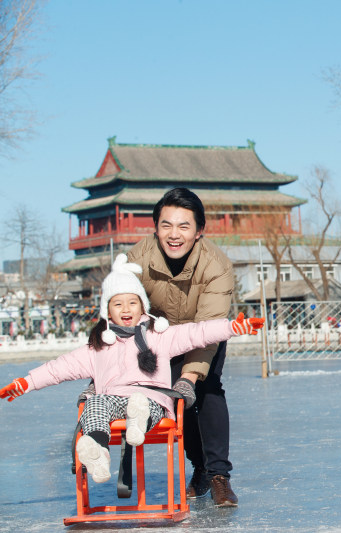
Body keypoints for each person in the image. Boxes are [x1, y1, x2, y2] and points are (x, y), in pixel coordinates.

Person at [0, 255, 264, 485]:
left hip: (152, 398)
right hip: (113, 397)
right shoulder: (97, 347)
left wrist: (231, 327)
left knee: (143, 402)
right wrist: (26, 383)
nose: (126, 309)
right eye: (118, 304)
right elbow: (60, 368)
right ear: (107, 311)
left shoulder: (158, 336)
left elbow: (196, 333)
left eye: (132, 302)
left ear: (142, 307)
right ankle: (97, 451)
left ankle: (139, 421)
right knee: (94, 405)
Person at [127, 187, 240, 507]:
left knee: (206, 388)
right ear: (156, 227)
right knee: (178, 403)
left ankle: (219, 476)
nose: (174, 235)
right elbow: (120, 307)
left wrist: (190, 378)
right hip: (157, 335)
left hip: (204, 330)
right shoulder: (138, 259)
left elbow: (209, 328)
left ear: (199, 231)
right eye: (166, 225)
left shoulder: (216, 265)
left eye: (183, 226)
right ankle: (200, 468)